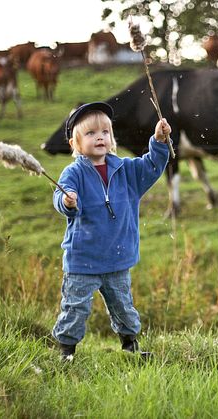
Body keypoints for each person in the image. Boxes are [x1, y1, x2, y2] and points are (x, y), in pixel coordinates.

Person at [51, 101, 170, 361]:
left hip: (118, 259)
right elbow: (60, 198)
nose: (100, 137)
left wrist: (159, 142)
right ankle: (66, 351)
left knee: (123, 307)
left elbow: (151, 166)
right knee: (75, 307)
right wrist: (67, 200)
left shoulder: (127, 171)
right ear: (75, 144)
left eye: (105, 132)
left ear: (112, 137)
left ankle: (130, 346)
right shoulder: (74, 174)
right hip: (83, 260)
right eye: (91, 133)